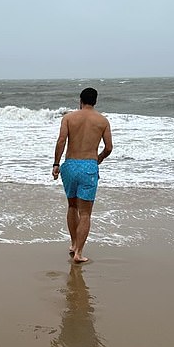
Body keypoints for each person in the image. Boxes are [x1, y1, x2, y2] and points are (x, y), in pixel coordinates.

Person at [52, 87, 113, 263]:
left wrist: (56, 164)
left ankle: (73, 244)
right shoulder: (102, 121)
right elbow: (109, 148)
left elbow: (61, 141)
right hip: (88, 166)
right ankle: (78, 252)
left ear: (80, 100)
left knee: (72, 206)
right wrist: (98, 159)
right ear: (95, 101)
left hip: (70, 165)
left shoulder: (69, 118)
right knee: (85, 213)